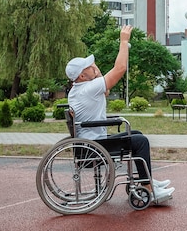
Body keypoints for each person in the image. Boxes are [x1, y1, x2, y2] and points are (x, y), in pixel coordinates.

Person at [66, 25, 174, 202]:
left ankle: (145, 180)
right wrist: (124, 41)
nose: (93, 66)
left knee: (136, 135)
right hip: (95, 146)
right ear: (82, 76)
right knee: (140, 141)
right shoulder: (88, 88)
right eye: (88, 66)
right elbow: (120, 69)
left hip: (91, 142)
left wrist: (95, 71)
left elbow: (106, 91)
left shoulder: (79, 88)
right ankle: (147, 187)